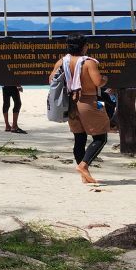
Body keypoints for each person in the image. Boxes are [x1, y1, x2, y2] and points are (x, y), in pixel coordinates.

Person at [50, 34, 108, 184]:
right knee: (100, 138)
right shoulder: (89, 63)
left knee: (79, 138)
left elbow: (51, 80)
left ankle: (84, 175)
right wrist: (105, 79)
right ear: (84, 46)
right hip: (87, 101)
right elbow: (97, 82)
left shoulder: (62, 62)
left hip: (70, 103)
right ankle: (83, 165)